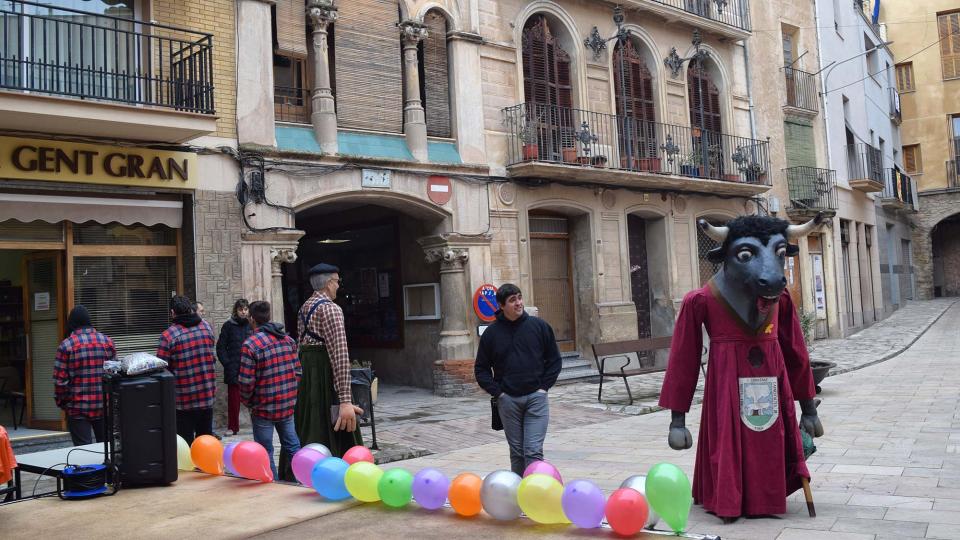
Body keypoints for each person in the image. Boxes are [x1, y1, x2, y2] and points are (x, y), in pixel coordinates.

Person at [474, 283, 562, 476]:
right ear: (501, 305)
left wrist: (543, 388)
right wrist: (499, 393)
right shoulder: (491, 334)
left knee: (532, 451)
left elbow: (554, 361)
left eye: (520, 298)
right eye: (512, 300)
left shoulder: (539, 327)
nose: (518, 303)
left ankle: (535, 497)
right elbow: (481, 369)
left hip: (536, 399)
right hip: (508, 401)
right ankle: (517, 496)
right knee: (517, 453)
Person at [293, 263, 363, 459]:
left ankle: (302, 466)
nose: (339, 286)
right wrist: (345, 400)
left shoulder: (304, 307)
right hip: (325, 372)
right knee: (330, 427)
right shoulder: (331, 309)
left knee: (309, 423)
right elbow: (339, 354)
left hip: (307, 375)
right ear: (328, 283)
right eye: (337, 281)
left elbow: (300, 345)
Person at [238, 301, 301, 481]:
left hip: (263, 407)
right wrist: (289, 391)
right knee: (292, 446)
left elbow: (245, 381)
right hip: (286, 405)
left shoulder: (250, 344)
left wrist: (248, 402)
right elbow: (298, 371)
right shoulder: (288, 340)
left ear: (251, 319)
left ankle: (272, 486)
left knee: (265, 451)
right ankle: (304, 480)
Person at [157, 295, 217, 444]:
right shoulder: (206, 327)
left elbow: (162, 369)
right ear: (190, 309)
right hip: (206, 394)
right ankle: (206, 467)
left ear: (172, 312)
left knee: (185, 442)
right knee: (206, 440)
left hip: (183, 400)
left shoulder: (168, 336)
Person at [53, 306, 116, 446]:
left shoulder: (66, 346)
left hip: (77, 408)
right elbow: (113, 374)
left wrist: (64, 403)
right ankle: (107, 469)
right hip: (103, 405)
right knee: (106, 448)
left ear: (72, 323)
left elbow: (60, 382)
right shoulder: (107, 342)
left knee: (83, 451)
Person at [216, 299, 252, 436]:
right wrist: (227, 363)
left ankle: (257, 425)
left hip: (250, 367)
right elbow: (221, 347)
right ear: (236, 311)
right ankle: (232, 427)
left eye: (246, 309)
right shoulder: (228, 326)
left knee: (255, 398)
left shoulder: (251, 325)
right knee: (234, 400)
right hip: (234, 368)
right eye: (240, 309)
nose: (243, 312)